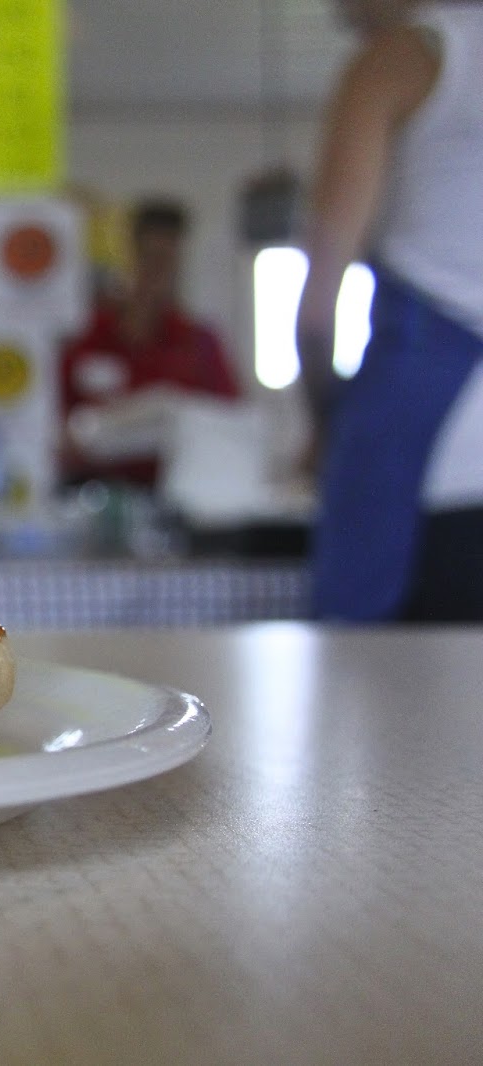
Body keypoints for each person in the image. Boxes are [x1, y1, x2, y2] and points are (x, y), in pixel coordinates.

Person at [297, 0, 483, 622]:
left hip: (423, 418)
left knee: (365, 685)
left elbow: (319, 305)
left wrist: (325, 421)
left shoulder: (398, 62)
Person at [58, 199, 242, 487]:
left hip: (174, 496)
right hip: (89, 490)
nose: (156, 276)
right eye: (150, 259)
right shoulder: (83, 339)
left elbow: (229, 424)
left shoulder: (201, 345)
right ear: (128, 259)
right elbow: (49, 420)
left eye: (167, 262)